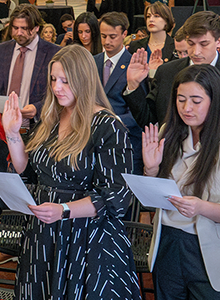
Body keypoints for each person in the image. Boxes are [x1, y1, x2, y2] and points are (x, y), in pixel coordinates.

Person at [2, 44, 141, 300]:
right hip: (44, 233)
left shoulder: (107, 125)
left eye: (65, 81)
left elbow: (116, 197)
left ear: (84, 80)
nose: (56, 88)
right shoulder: (52, 118)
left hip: (87, 236)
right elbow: (27, 169)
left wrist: (64, 210)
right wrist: (12, 133)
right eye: (54, 79)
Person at [143, 64, 220, 299]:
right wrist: (151, 168)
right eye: (181, 99)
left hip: (217, 251)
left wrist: (201, 207)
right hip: (169, 242)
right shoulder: (169, 132)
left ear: (214, 100)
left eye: (196, 101)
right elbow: (152, 200)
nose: (186, 108)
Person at [124, 11, 220, 143]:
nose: (196, 51)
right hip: (175, 158)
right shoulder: (167, 72)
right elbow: (150, 122)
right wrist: (133, 85)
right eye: (190, 43)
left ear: (219, 41)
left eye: (204, 44)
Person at [94, 12, 143, 174]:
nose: (107, 41)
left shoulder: (134, 65)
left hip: (125, 140)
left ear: (124, 34)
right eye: (103, 36)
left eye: (112, 36)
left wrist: (113, 120)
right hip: (95, 141)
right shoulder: (93, 62)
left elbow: (139, 110)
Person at [0, 4, 60, 127]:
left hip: (38, 127)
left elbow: (60, 93)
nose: (19, 33)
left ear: (37, 27)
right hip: (3, 127)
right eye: (15, 28)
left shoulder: (54, 53)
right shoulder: (3, 51)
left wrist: (37, 108)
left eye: (24, 28)